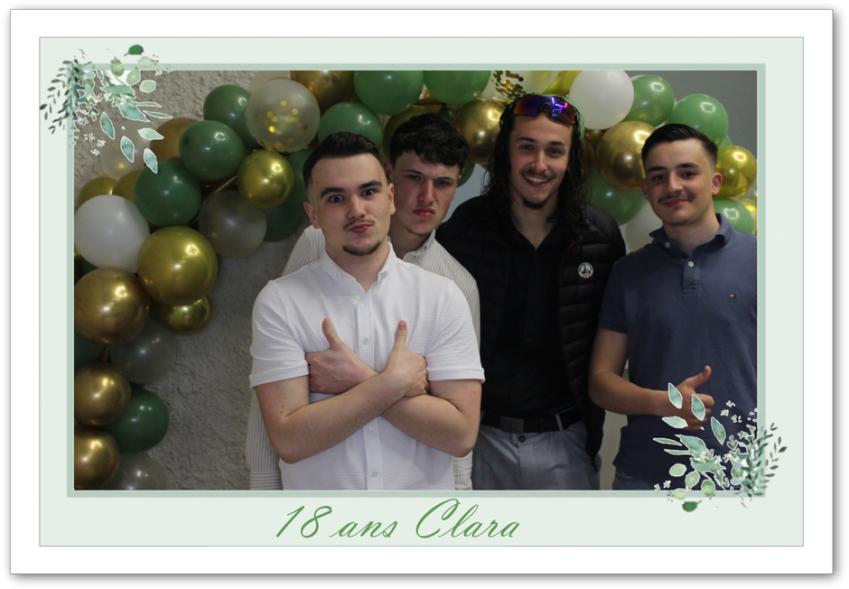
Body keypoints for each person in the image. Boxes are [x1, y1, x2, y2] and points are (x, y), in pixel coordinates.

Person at [246, 114, 480, 491]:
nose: (356, 210)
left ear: (388, 198)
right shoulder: (282, 299)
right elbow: (287, 437)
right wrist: (394, 383)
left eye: (368, 192)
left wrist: (357, 379)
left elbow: (461, 434)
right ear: (313, 215)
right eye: (336, 198)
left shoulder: (447, 292)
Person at [437, 94, 626, 490]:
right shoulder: (465, 231)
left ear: (571, 160)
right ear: (506, 153)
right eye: (527, 147)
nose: (540, 165)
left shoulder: (600, 237)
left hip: (566, 444)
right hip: (478, 441)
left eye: (554, 151)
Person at [588, 123, 757, 490]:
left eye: (687, 173)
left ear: (715, 182)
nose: (673, 186)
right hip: (644, 479)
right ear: (646, 189)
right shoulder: (628, 273)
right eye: (659, 177)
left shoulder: (764, 261)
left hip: (744, 480)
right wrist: (664, 403)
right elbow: (601, 383)